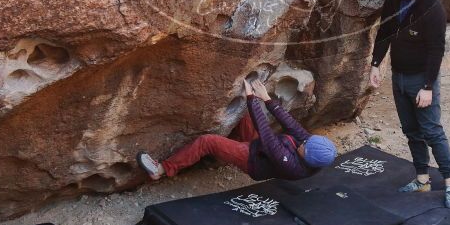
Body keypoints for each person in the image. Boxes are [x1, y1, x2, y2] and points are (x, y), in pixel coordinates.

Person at [368, 0, 450, 208]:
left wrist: (428, 87)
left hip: (421, 78)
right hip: (399, 76)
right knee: (411, 131)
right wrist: (375, 64)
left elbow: (436, 49)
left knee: (431, 130)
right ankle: (422, 179)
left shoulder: (432, 8)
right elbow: (385, 32)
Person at [137, 79, 336, 181]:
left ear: (306, 158)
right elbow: (292, 125)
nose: (303, 142)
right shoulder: (311, 147)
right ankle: (228, 145)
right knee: (246, 114)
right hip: (260, 148)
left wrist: (252, 99)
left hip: (253, 160)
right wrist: (266, 99)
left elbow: (268, 138)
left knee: (207, 142)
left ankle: (161, 170)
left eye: (304, 146)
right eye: (308, 140)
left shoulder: (292, 165)